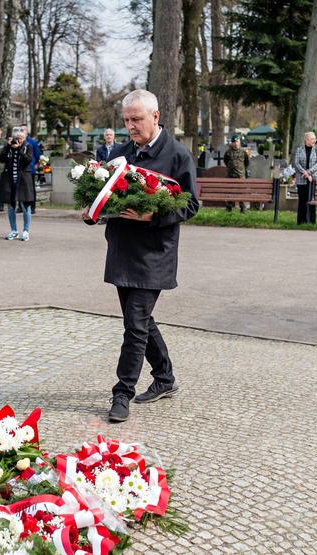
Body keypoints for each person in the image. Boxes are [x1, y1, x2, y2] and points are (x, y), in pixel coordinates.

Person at [81, 89, 199, 423]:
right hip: (122, 251)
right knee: (141, 321)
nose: (131, 126)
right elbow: (103, 197)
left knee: (134, 325)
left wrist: (152, 217)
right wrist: (92, 212)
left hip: (154, 255)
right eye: (127, 120)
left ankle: (122, 394)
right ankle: (165, 378)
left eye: (137, 119)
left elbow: (190, 204)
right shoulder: (119, 154)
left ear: (155, 116)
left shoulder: (177, 155)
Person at [0, 127, 34, 241]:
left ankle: (26, 231)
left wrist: (19, 149)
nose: (17, 140)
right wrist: (8, 146)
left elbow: (28, 160)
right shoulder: (9, 148)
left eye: (20, 138)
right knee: (10, 206)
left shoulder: (27, 147)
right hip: (10, 180)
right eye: (16, 138)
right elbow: (1, 159)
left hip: (23, 181)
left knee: (25, 206)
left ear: (24, 139)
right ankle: (14, 231)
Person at [293, 131, 317, 224]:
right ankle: (301, 221)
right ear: (306, 140)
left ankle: (311, 220)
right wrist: (305, 173)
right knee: (302, 199)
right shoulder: (299, 150)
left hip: (313, 178)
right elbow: (297, 163)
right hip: (301, 178)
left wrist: (308, 173)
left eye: (315, 139)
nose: (314, 140)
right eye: (312, 139)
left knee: (311, 199)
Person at [223, 134, 249, 213]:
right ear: (232, 143)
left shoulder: (243, 152)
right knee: (230, 192)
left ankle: (243, 208)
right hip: (230, 175)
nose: (236, 143)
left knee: (241, 192)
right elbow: (226, 161)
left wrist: (243, 170)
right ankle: (229, 207)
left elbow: (247, 162)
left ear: (239, 142)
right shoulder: (228, 152)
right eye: (234, 142)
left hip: (240, 175)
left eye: (237, 141)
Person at [19, 124, 40, 214]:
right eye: (21, 130)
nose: (23, 131)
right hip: (20, 169)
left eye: (24, 129)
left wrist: (32, 163)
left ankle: (32, 207)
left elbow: (37, 155)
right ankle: (20, 206)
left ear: (27, 131)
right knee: (20, 188)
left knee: (30, 188)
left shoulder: (32, 142)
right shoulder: (18, 141)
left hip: (29, 168)